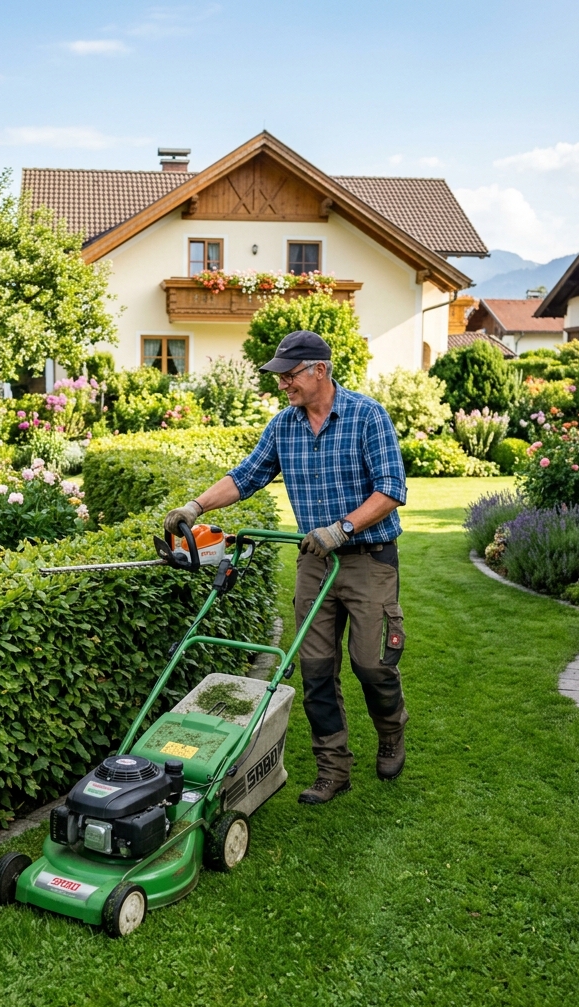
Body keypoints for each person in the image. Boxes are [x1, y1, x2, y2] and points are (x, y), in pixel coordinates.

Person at [164, 330, 408, 805]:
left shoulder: (367, 416)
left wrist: (342, 528)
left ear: (320, 370)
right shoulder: (284, 426)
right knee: (316, 669)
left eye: (289, 375)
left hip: (368, 558)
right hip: (315, 560)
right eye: (279, 376)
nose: (282, 384)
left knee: (372, 664)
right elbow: (245, 476)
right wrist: (196, 507)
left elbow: (391, 490)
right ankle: (333, 768)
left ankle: (391, 731)